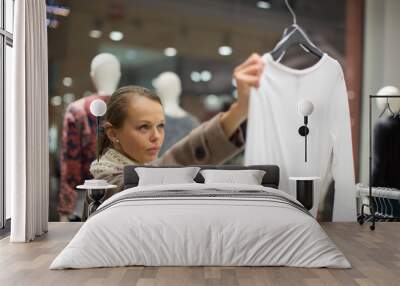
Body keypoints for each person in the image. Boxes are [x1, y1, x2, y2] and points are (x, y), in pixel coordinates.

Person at [82, 53, 264, 220]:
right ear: (113, 134)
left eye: (160, 126)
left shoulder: (134, 168)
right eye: (144, 127)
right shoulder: (107, 184)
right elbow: (172, 163)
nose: (156, 137)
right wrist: (239, 110)